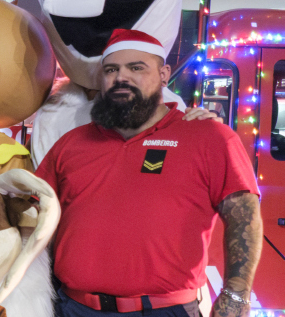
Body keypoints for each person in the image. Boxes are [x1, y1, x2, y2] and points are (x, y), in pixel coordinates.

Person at [38, 29, 262, 317]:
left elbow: (244, 216)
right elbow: (35, 211)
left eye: (136, 67)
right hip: (73, 308)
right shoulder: (71, 143)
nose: (121, 77)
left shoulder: (209, 137)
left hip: (163, 310)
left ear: (164, 74)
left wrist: (235, 298)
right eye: (111, 69)